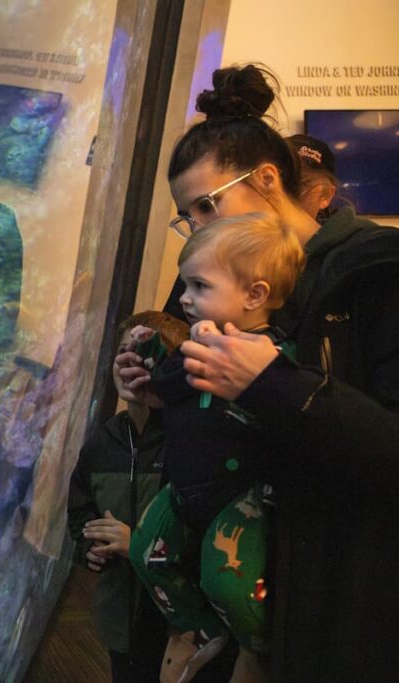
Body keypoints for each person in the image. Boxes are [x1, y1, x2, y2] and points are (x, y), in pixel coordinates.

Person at [121, 64, 399, 681]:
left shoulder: (385, 274)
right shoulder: (214, 267)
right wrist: (152, 392)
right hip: (222, 570)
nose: (201, 227)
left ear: (265, 179)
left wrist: (278, 385)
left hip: (334, 602)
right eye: (189, 215)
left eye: (208, 204)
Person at [128, 213, 304, 683]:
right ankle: (198, 629)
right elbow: (165, 389)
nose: (184, 298)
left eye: (199, 286)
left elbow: (288, 413)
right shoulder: (194, 343)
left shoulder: (276, 354)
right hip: (186, 485)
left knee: (226, 580)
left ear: (255, 295)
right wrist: (154, 360)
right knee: (146, 553)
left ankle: (255, 648)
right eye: (185, 284)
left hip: (240, 496)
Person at [68, 310, 187, 682]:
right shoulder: (101, 444)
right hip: (119, 618)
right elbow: (80, 513)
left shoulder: (187, 443)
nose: (129, 363)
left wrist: (136, 544)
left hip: (176, 625)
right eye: (123, 351)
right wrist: (88, 548)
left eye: (145, 354)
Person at [285, 133, 340, 221]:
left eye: (302, 183)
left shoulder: (359, 233)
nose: (285, 191)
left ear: (326, 196)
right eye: (282, 177)